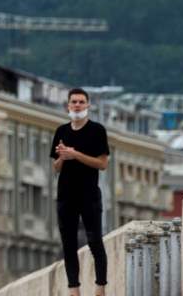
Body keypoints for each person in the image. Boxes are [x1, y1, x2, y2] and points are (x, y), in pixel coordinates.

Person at [51, 88, 110, 296]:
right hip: (66, 196)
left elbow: (102, 164)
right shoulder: (61, 131)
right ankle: (73, 289)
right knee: (68, 244)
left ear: (88, 105)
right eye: (74, 102)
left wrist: (75, 154)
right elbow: (55, 168)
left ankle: (100, 286)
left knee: (95, 240)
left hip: (89, 195)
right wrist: (62, 158)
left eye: (81, 102)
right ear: (67, 105)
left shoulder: (97, 131)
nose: (77, 105)